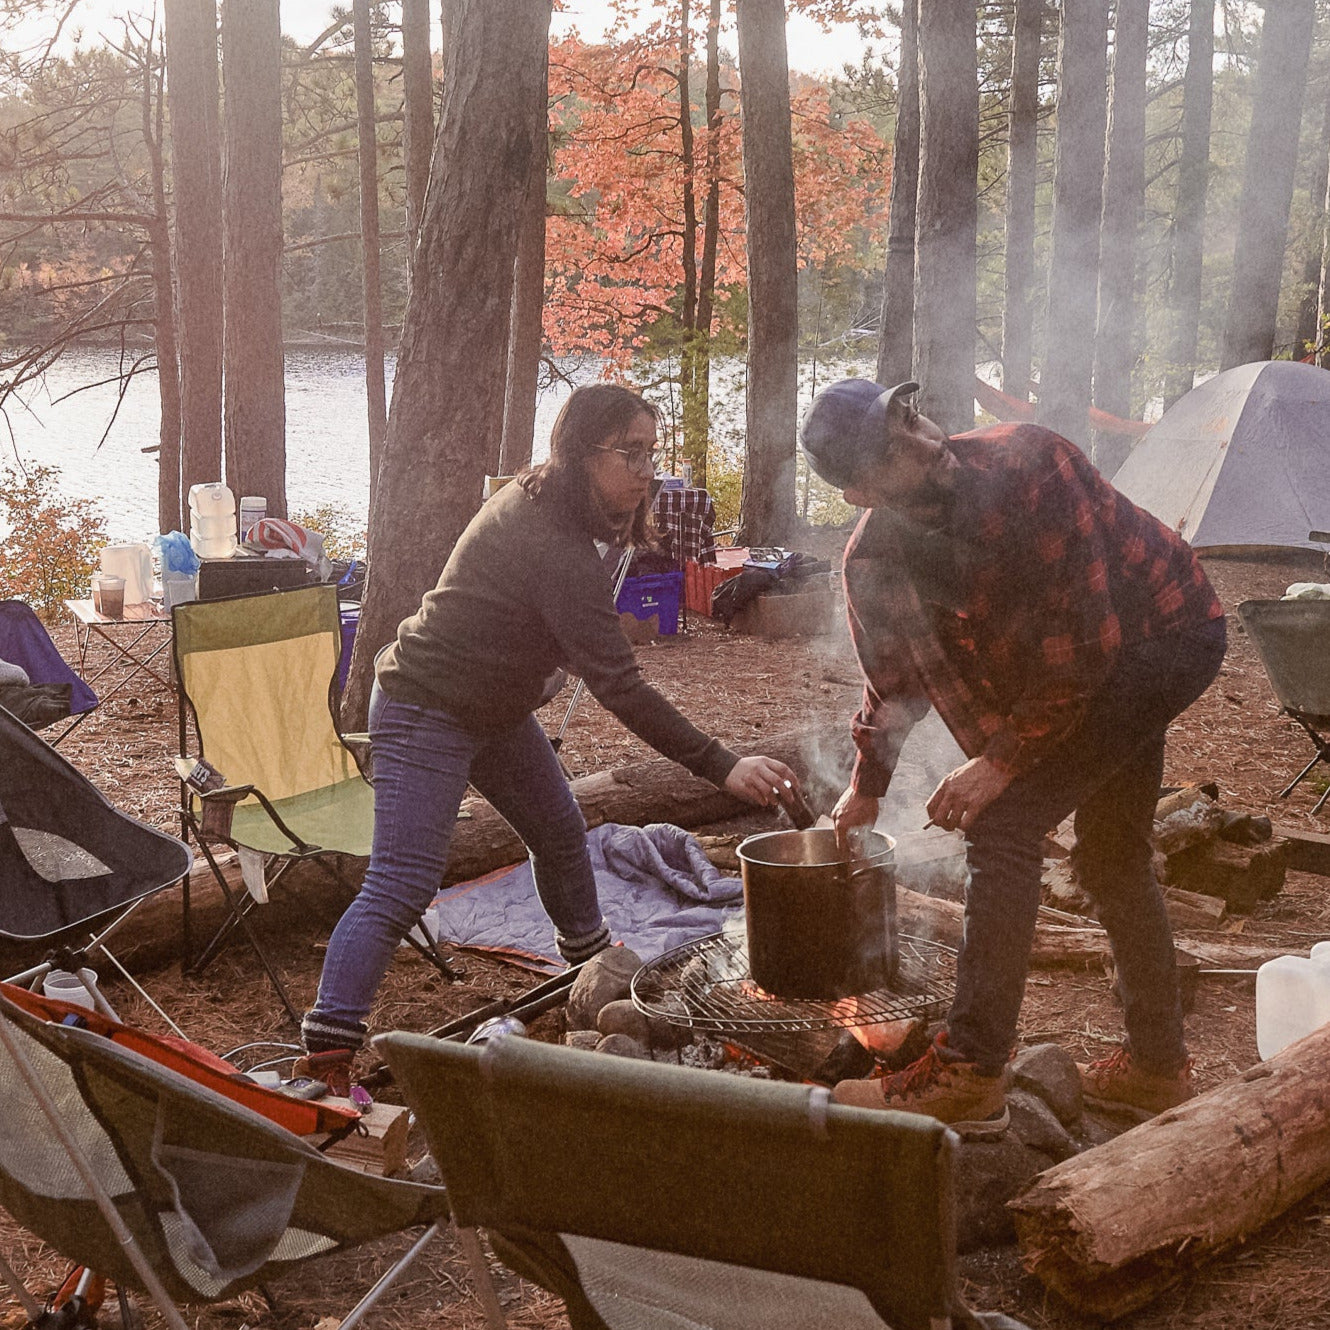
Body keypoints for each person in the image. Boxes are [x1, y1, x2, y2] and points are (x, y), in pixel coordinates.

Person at [299, 383, 801, 1091]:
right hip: (425, 706)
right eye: (629, 453)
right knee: (403, 882)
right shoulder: (550, 541)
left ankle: (591, 973)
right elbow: (620, 686)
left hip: (492, 709)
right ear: (580, 453)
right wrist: (722, 766)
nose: (645, 471)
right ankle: (324, 1057)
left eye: (650, 453)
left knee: (561, 831)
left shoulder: (565, 508)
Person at [799, 378, 1225, 1137]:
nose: (927, 440)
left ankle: (970, 1070)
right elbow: (892, 685)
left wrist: (999, 763)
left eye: (912, 417)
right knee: (1111, 855)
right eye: (895, 448)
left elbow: (1086, 649)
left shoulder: (1032, 467)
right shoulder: (872, 561)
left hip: (1166, 632)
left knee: (1003, 824)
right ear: (861, 491)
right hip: (1098, 658)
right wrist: (867, 786)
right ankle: (1159, 1068)